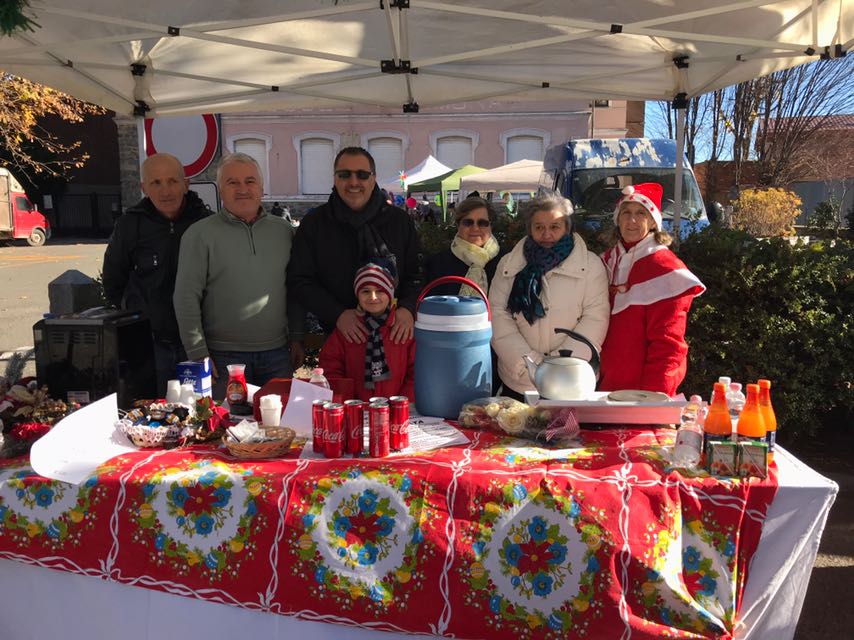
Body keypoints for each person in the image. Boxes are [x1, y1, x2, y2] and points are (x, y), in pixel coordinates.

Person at [173, 153, 305, 398]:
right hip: (222, 359)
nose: (243, 189)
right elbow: (185, 296)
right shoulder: (199, 235)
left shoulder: (284, 232)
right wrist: (198, 352)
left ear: (262, 188)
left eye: (250, 181)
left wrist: (297, 337)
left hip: (277, 354)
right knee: (227, 431)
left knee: (282, 432)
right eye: (233, 182)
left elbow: (295, 290)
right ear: (221, 190)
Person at [287, 146, 423, 346]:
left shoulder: (399, 221)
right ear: (335, 178)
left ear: (373, 178)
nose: (353, 182)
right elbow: (300, 280)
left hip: (394, 336)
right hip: (338, 336)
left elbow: (417, 272)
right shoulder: (314, 223)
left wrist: (407, 308)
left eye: (362, 175)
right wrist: (338, 314)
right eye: (345, 175)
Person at [102, 153, 210, 396]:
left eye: (172, 181)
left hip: (197, 342)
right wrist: (135, 312)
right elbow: (113, 280)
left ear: (186, 184)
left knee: (201, 413)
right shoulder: (130, 226)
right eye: (156, 183)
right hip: (151, 343)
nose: (166, 190)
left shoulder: (205, 223)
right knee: (154, 415)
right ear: (143, 188)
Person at [489, 193, 610, 400]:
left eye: (554, 226)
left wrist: (558, 366)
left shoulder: (591, 265)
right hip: (519, 380)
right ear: (530, 229)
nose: (546, 234)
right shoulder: (510, 264)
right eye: (539, 227)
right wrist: (528, 364)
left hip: (572, 380)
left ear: (567, 228)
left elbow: (595, 318)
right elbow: (498, 314)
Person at [598, 183, 705, 396]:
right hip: (601, 388)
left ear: (653, 222)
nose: (632, 220)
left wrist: (653, 397)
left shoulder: (665, 268)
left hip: (642, 392)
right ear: (617, 220)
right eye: (626, 213)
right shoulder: (605, 262)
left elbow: (669, 344)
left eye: (641, 213)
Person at [318, 260, 415, 402]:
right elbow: (330, 368)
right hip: (355, 409)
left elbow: (417, 371)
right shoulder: (348, 329)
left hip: (398, 408)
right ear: (357, 294)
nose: (373, 297)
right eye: (366, 291)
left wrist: (401, 402)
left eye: (380, 291)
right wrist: (348, 401)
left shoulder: (403, 328)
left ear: (390, 293)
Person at [424, 196, 505, 296]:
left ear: (490, 226)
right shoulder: (437, 264)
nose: (475, 228)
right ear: (458, 225)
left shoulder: (507, 262)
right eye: (468, 222)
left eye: (482, 223)